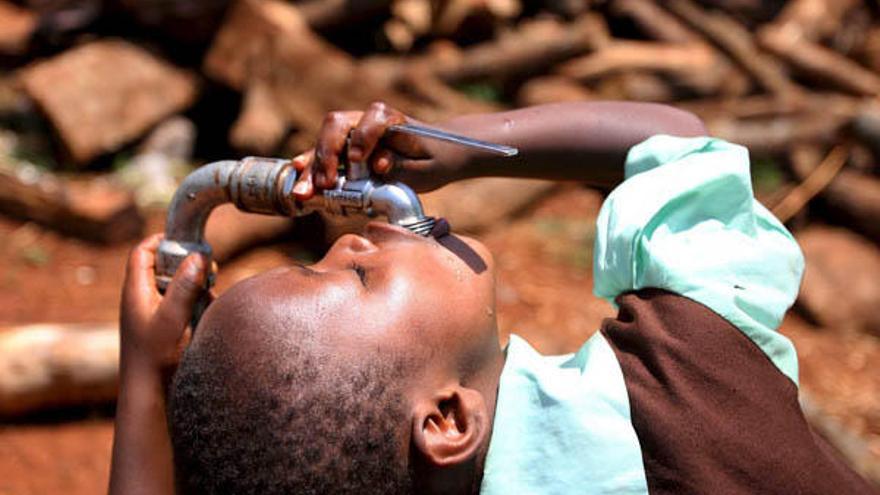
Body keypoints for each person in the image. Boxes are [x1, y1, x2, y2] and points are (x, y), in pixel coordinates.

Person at [109, 102, 876, 494]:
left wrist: (145, 377)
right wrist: (466, 142)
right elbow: (672, 143)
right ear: (447, 419)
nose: (349, 238)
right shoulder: (680, 400)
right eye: (353, 274)